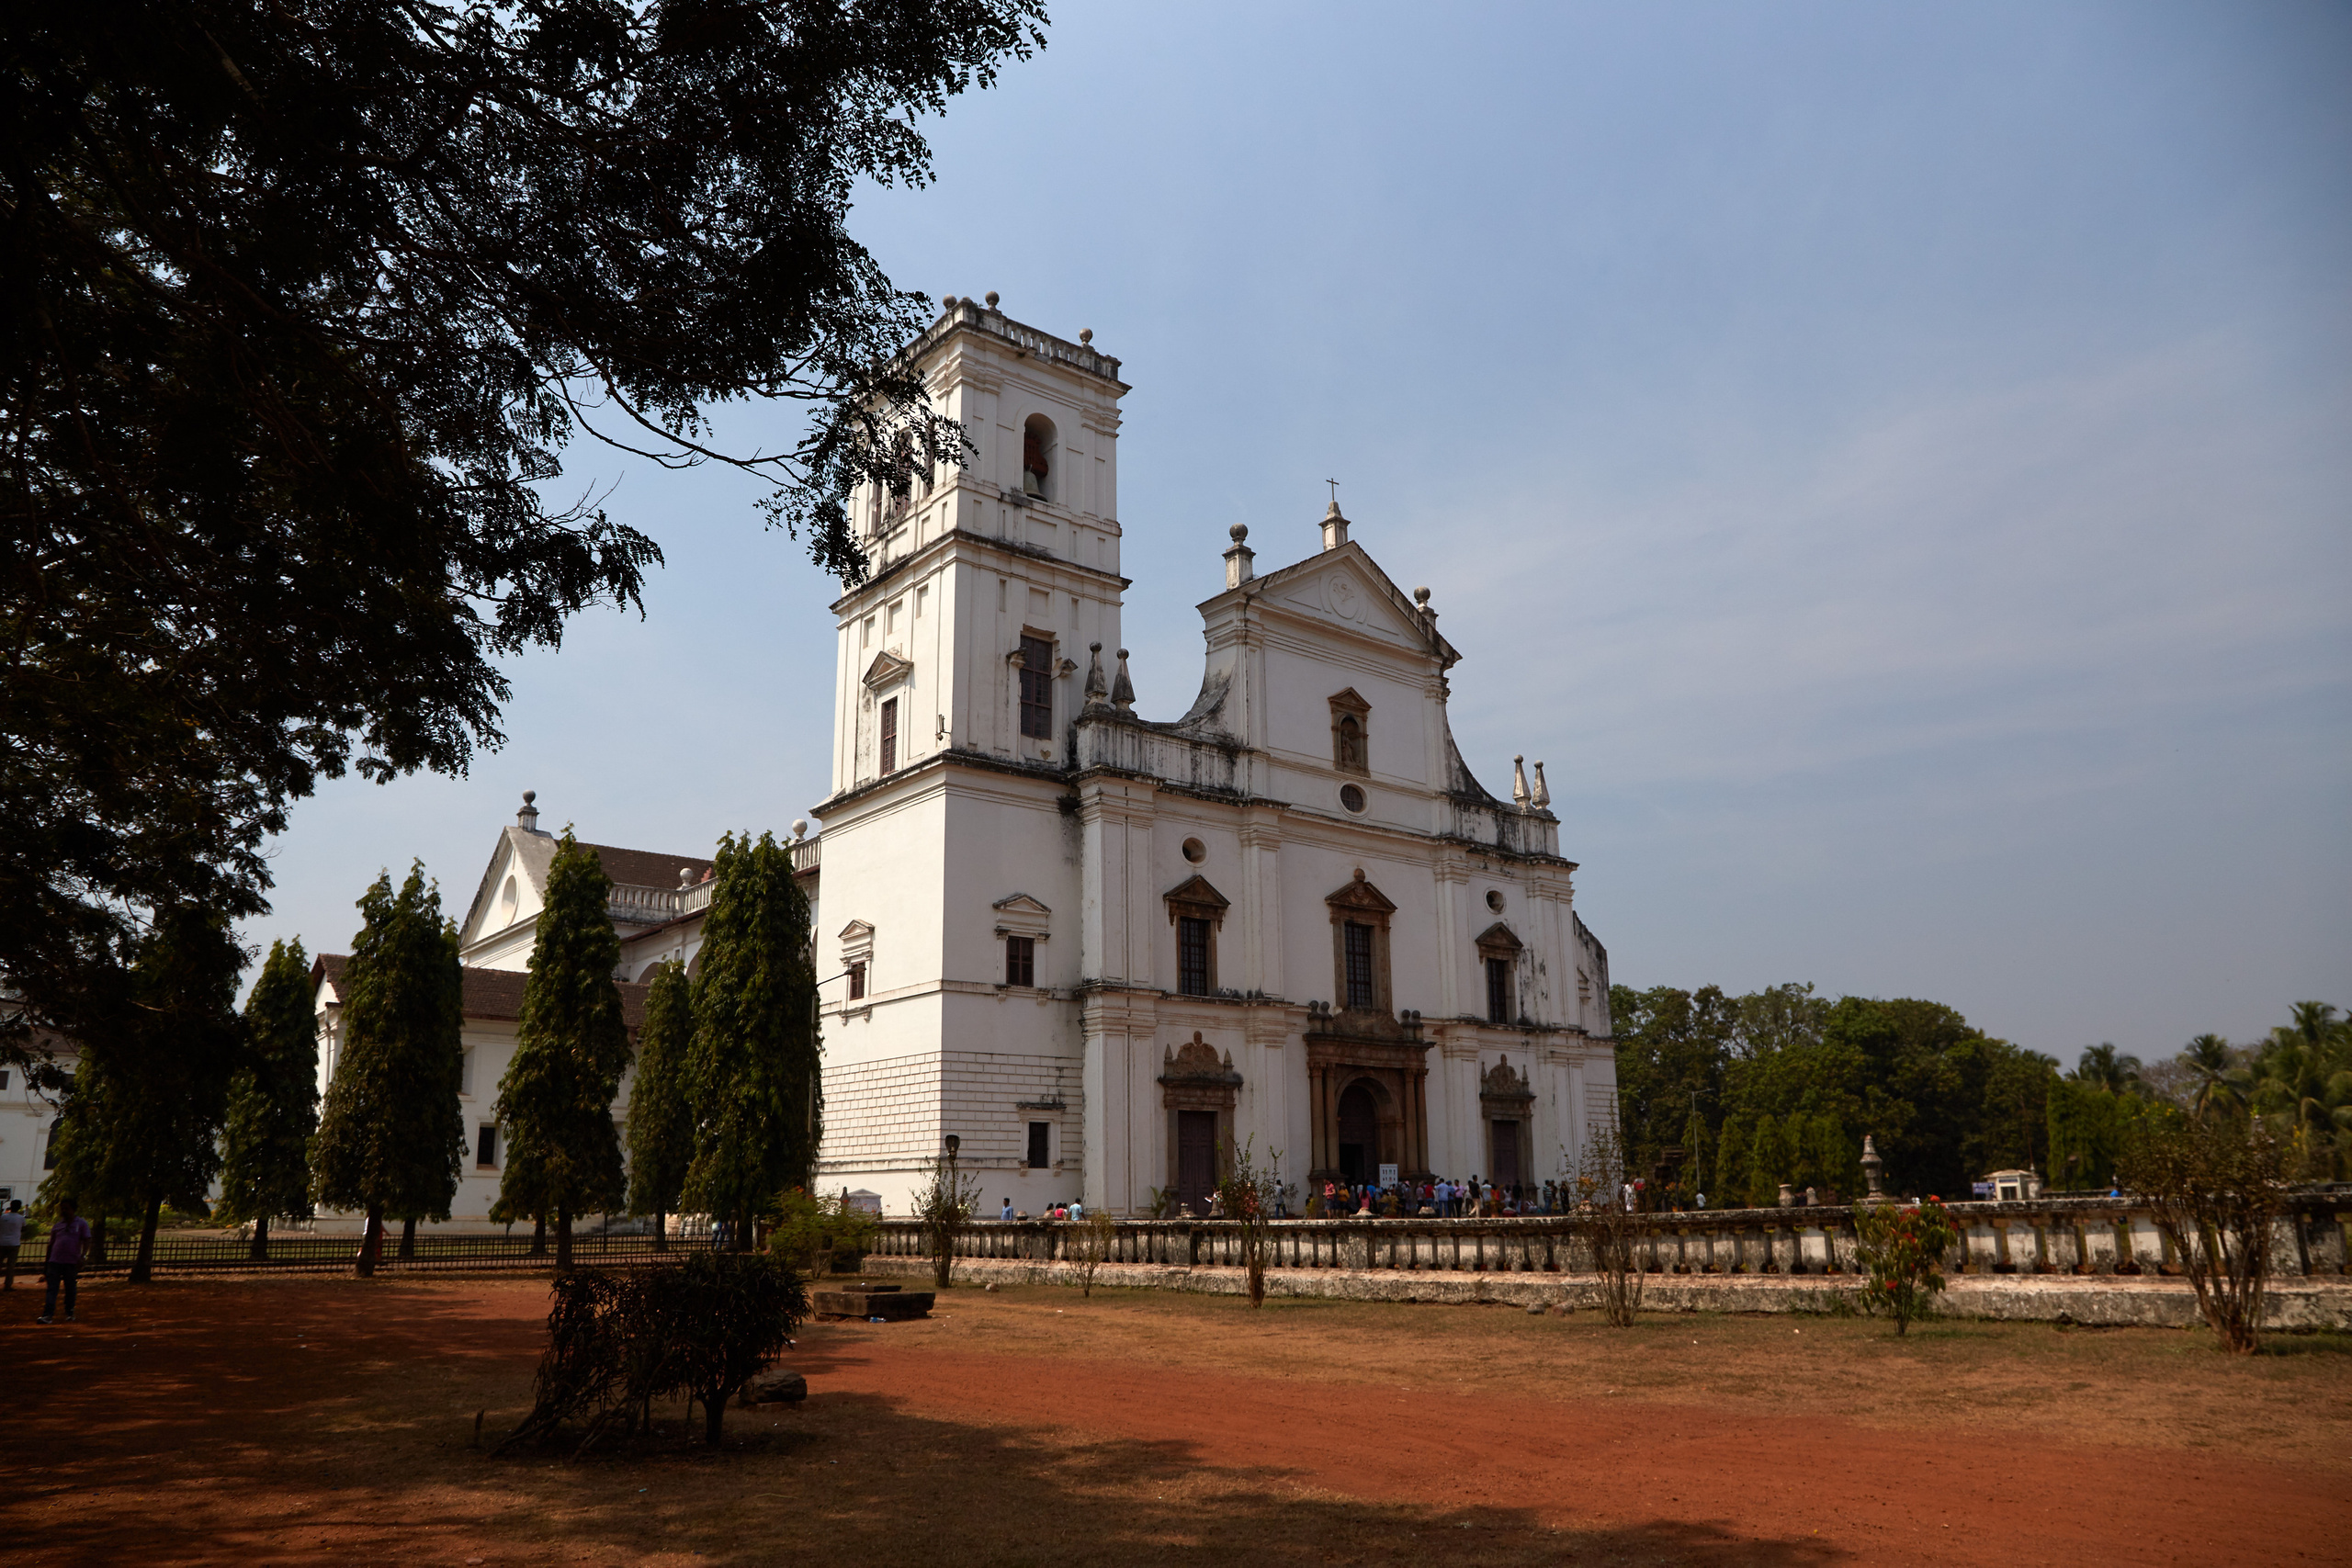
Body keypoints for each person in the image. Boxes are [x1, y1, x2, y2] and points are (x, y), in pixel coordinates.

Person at [40, 1198, 92, 1325]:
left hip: (71, 1262)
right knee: (52, 1288)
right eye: (62, 1208)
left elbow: (87, 1240)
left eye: (67, 1208)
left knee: (70, 1288)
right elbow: (51, 1245)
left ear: (73, 1209)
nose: (64, 1211)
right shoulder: (58, 1226)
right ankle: (48, 1315)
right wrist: (46, 1263)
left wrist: (83, 1256)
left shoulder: (81, 1224)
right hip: (55, 1261)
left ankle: (69, 1312)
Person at [0, 1200, 24, 1291]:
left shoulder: (3, 1217)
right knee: (10, 1266)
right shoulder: (20, 1218)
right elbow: (24, 1228)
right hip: (14, 1243)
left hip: (2, 1242)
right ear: (19, 1207)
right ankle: (8, 1285)